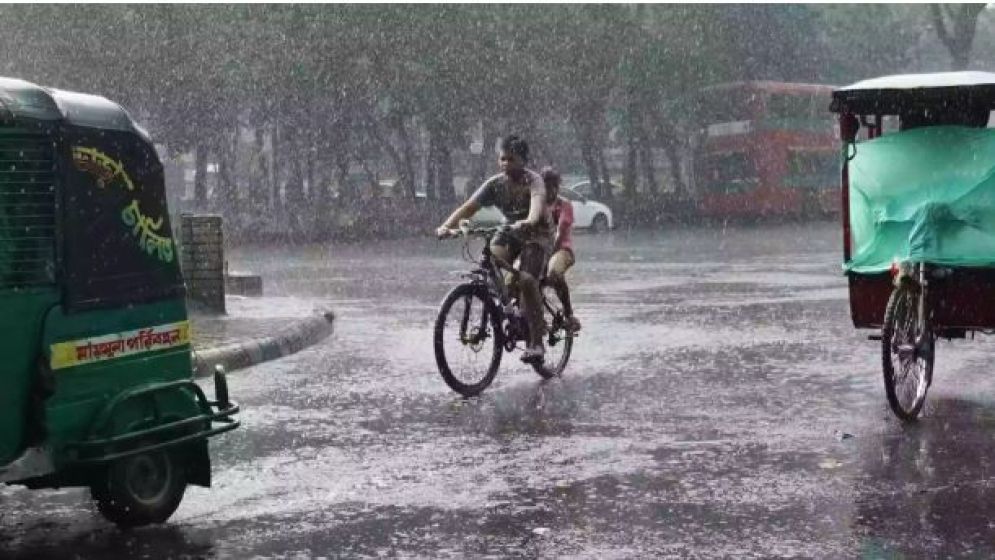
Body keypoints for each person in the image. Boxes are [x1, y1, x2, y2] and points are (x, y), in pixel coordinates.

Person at [436, 135, 552, 363]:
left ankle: (537, 342)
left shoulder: (534, 181)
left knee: (527, 280)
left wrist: (529, 220)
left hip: (536, 233)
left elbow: (537, 206)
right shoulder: (495, 184)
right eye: (502, 159)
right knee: (491, 269)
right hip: (508, 229)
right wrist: (446, 227)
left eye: (511, 159)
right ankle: (510, 311)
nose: (505, 164)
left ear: (523, 160)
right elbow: (468, 208)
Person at [541, 167, 582, 333]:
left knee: (553, 273)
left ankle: (568, 313)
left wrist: (549, 254)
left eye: (552, 187)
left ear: (557, 187)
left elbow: (561, 230)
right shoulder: (537, 204)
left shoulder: (564, 205)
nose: (549, 191)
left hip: (562, 249)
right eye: (546, 187)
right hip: (539, 249)